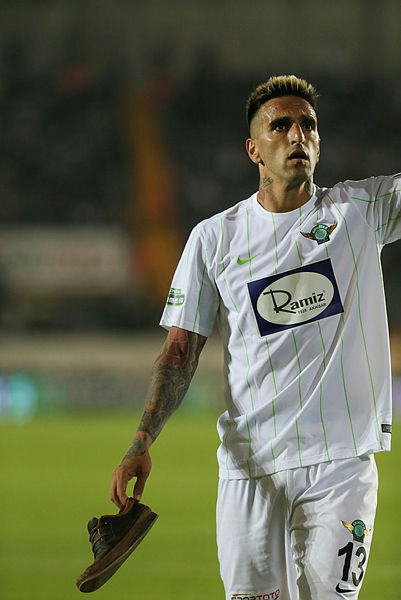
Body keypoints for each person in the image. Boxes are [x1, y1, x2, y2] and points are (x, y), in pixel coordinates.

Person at [110, 75, 400, 599]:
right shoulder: (214, 238)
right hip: (250, 467)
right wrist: (141, 440)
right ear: (254, 150)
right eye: (281, 125)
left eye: (308, 125)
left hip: (341, 465)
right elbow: (179, 352)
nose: (297, 135)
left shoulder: (360, 210)